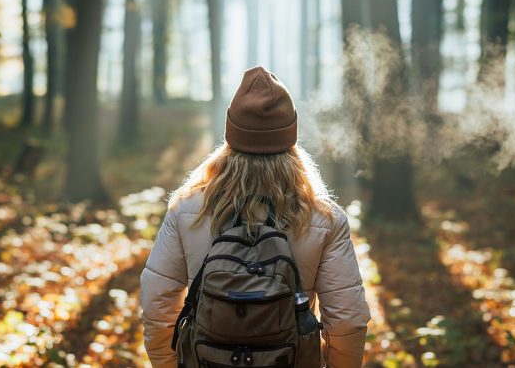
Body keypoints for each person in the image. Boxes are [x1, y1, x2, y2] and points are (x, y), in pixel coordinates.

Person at [140, 66, 371, 367]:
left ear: (230, 136)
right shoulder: (324, 217)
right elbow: (347, 323)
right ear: (290, 138)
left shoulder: (187, 209)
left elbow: (157, 309)